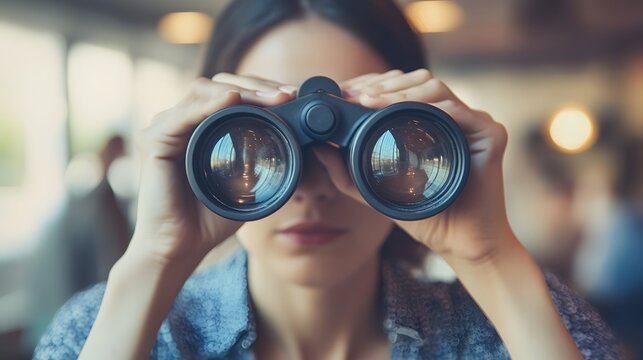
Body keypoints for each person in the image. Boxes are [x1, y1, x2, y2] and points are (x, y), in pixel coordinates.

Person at [34, 0, 617, 359]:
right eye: (262, 147)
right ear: (204, 134)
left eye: (365, 147)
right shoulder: (114, 329)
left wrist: (492, 258)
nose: (311, 190)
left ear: (421, 133)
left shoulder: (515, 327)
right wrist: (154, 261)